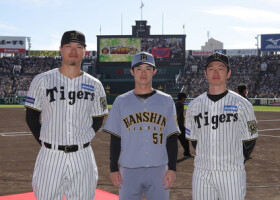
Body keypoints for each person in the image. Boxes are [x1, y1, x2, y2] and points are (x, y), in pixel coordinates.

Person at [25, 30, 108, 200]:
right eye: (68, 46)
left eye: (79, 47)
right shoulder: (42, 80)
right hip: (50, 156)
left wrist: (86, 137)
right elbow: (31, 116)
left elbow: (99, 117)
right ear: (61, 49)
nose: (73, 51)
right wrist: (45, 142)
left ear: (84, 52)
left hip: (82, 156)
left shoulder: (95, 84)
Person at [103, 52, 180, 200]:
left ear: (154, 71)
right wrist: (113, 168)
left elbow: (171, 136)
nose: (143, 72)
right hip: (128, 170)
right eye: (139, 69)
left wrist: (172, 168)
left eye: (148, 68)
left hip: (159, 170)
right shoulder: (121, 101)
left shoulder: (167, 100)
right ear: (132, 72)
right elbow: (115, 138)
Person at [185, 53, 258, 200]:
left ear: (228, 73)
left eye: (221, 68)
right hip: (202, 173)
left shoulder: (243, 104)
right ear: (205, 73)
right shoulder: (194, 106)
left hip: (232, 172)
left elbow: (250, 139)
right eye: (211, 69)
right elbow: (194, 140)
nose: (216, 72)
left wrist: (234, 161)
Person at [175, 92, 193, 160]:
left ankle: (167, 156)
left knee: (172, 142)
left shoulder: (176, 104)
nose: (185, 100)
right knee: (185, 140)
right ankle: (187, 153)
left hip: (176, 126)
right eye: (184, 98)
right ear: (182, 98)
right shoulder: (180, 105)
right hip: (179, 126)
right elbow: (178, 115)